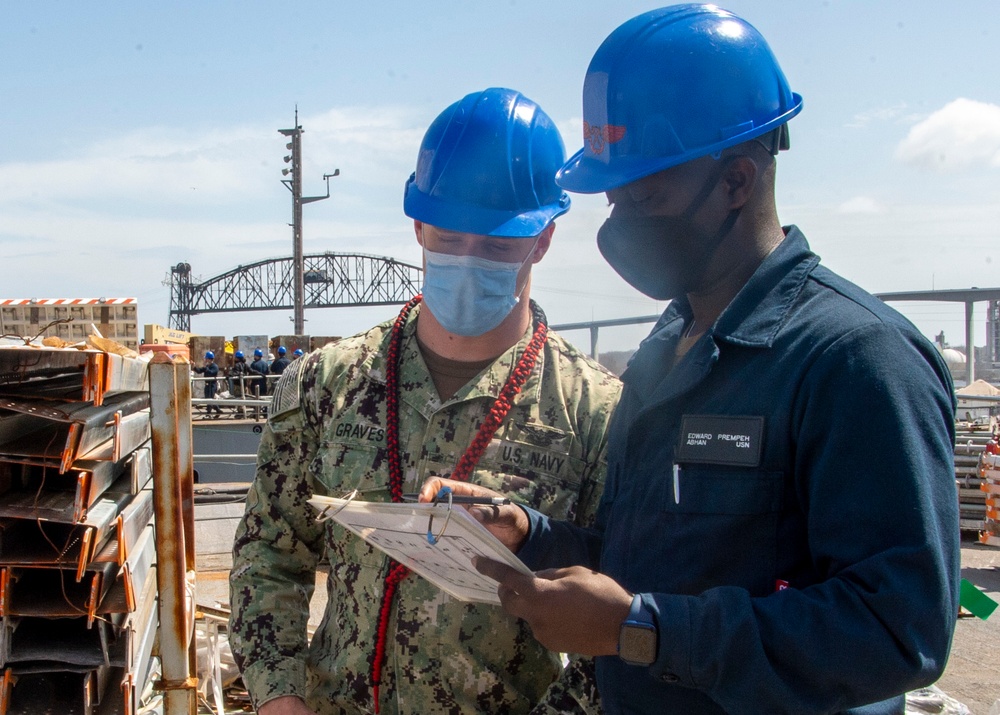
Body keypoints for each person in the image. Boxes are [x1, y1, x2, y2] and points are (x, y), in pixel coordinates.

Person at [424, 7, 961, 714]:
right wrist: (535, 534)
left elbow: (900, 628)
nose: (620, 221)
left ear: (737, 180)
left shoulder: (855, 360)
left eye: (643, 194)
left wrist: (643, 631)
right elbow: (653, 559)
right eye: (614, 195)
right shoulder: (664, 351)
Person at [229, 87, 622, 715]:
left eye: (496, 246)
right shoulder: (326, 384)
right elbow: (269, 553)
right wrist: (279, 696)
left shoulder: (594, 413)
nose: (468, 260)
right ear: (417, 225)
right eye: (448, 238)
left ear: (542, 239)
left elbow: (618, 614)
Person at [193, 350, 222, 416]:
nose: (205, 359)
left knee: (210, 398)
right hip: (207, 385)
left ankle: (208, 413)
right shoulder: (207, 366)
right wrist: (194, 367)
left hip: (212, 385)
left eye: (206, 358)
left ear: (209, 359)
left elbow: (212, 372)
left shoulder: (214, 366)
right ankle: (218, 410)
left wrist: (206, 368)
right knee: (208, 398)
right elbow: (199, 371)